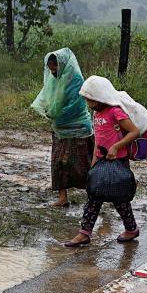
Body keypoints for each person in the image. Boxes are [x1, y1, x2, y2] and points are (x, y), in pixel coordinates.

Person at [64, 76, 147, 247]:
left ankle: (131, 228)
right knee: (94, 196)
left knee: (120, 198)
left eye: (89, 98)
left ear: (99, 97)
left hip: (118, 162)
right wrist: (94, 163)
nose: (87, 101)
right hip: (101, 162)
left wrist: (116, 147)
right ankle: (84, 233)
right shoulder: (96, 113)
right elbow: (99, 139)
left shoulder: (115, 111)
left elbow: (133, 132)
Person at [31, 48, 94, 208]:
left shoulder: (76, 79)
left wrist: (57, 114)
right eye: (50, 69)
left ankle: (93, 196)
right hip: (60, 128)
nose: (53, 72)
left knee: (83, 164)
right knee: (58, 162)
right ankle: (62, 197)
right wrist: (49, 110)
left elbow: (75, 105)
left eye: (55, 68)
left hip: (78, 128)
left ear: (64, 65)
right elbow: (48, 97)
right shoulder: (54, 79)